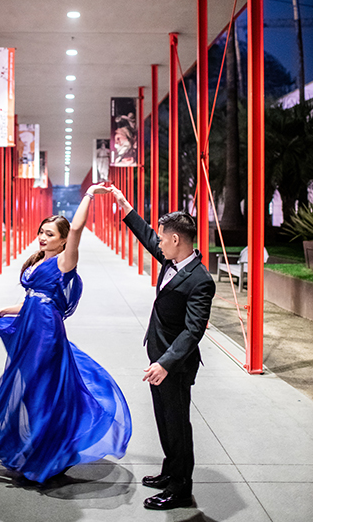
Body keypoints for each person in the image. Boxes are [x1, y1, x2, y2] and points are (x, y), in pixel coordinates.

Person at [0, 183, 132, 485]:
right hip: (30, 327)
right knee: (33, 389)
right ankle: (38, 449)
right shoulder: (38, 260)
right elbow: (33, 298)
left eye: (50, 234)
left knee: (43, 391)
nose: (43, 237)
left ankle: (45, 455)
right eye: (41, 232)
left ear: (62, 241)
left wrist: (89, 195)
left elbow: (78, 230)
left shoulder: (63, 261)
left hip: (46, 333)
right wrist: (6, 310)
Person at [103, 185, 215, 511]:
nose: (160, 243)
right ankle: (171, 471)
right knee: (164, 420)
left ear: (177, 240)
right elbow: (148, 237)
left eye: (165, 238)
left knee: (178, 424)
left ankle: (180, 488)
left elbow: (193, 331)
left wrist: (165, 362)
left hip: (174, 365)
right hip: (159, 356)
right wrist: (124, 205)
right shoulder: (172, 260)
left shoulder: (200, 280)